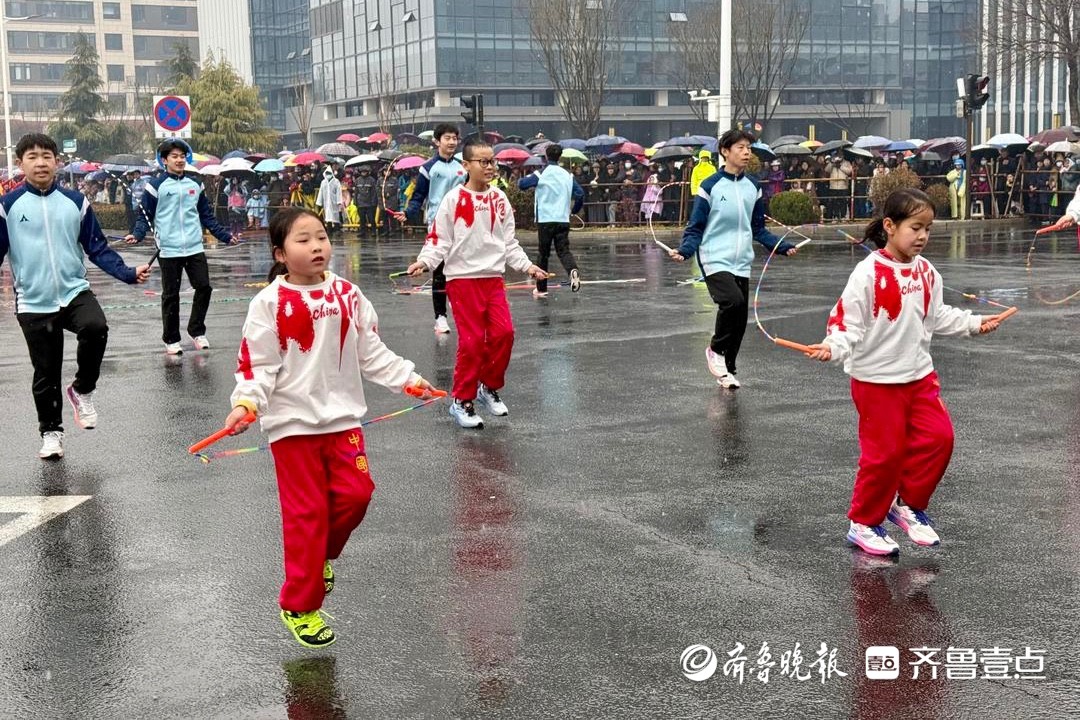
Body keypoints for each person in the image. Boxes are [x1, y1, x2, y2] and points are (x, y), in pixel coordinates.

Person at [223, 206, 438, 648]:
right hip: (292, 426)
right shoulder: (268, 304)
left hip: (342, 420)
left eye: (321, 236)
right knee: (307, 515)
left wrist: (409, 380)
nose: (317, 246)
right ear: (280, 253)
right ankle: (300, 606)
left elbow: (370, 351)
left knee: (358, 495)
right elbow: (257, 366)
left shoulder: (347, 294)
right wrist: (246, 403)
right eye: (303, 240)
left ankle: (320, 555)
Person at [804, 188, 1002, 555]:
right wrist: (833, 347)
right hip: (876, 381)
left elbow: (937, 315)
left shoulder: (926, 271)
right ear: (890, 226)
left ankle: (907, 505)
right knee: (885, 456)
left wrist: (975, 324)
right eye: (915, 227)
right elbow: (847, 324)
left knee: (940, 438)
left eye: (928, 228)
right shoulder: (868, 273)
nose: (923, 236)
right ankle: (863, 523)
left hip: (919, 377)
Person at [1, 133, 151, 459]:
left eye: (46, 156)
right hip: (33, 301)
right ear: (20, 163)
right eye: (32, 157)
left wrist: (127, 273)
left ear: (57, 161)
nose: (40, 163)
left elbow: (97, 247)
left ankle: (83, 389)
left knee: (95, 327)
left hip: (74, 291)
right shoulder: (7, 206)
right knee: (46, 371)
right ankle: (51, 433)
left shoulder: (75, 202)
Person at [406, 139, 546, 428]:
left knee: (504, 334)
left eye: (492, 161)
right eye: (483, 162)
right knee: (471, 343)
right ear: (466, 165)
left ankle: (488, 387)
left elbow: (509, 243)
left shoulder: (500, 199)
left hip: (493, 279)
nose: (490, 167)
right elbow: (439, 240)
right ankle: (462, 400)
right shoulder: (453, 200)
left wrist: (528, 266)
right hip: (462, 281)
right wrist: (425, 262)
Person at [667, 129, 797, 389]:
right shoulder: (710, 186)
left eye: (748, 147)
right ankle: (715, 350)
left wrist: (781, 246)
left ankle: (728, 371)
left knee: (739, 320)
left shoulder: (753, 187)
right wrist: (685, 250)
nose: (746, 152)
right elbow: (695, 227)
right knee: (732, 302)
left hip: (742, 261)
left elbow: (758, 229)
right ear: (725, 152)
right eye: (740, 147)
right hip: (714, 257)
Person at [126, 140, 234, 356]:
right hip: (168, 249)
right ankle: (172, 339)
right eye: (174, 156)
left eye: (182, 156)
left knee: (204, 287)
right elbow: (144, 215)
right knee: (171, 295)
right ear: (164, 160)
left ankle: (196, 331)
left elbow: (206, 216)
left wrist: (224, 236)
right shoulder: (155, 186)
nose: (179, 160)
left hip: (194, 247)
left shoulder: (195, 184)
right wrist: (137, 234)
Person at [397, 124, 466, 334]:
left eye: (454, 138)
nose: (452, 142)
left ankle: (459, 306)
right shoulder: (428, 168)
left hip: (463, 223)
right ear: (437, 141)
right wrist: (408, 212)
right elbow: (419, 196)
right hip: (438, 225)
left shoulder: (463, 167)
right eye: (447, 138)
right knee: (440, 272)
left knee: (462, 270)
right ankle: (440, 317)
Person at [518, 144, 584, 297]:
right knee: (564, 251)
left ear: (546, 156)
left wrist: (526, 177)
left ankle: (541, 288)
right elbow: (580, 194)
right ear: (560, 156)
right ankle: (572, 270)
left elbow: (521, 184)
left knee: (543, 254)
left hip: (545, 219)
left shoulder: (541, 173)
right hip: (562, 219)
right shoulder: (568, 175)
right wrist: (574, 210)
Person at [352, 166, 378, 237]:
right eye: (362, 172)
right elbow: (356, 192)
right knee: (362, 219)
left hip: (369, 203)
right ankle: (362, 232)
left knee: (371, 218)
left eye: (365, 172)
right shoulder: (357, 180)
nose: (364, 173)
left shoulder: (372, 180)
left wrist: (373, 202)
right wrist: (355, 201)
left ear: (368, 172)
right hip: (360, 203)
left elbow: (374, 193)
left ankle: (373, 231)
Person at [316, 167, 343, 235]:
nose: (328, 175)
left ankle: (337, 229)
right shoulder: (323, 182)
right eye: (327, 173)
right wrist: (319, 201)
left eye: (329, 173)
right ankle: (329, 230)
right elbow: (321, 192)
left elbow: (339, 192)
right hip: (326, 202)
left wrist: (339, 201)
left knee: (335, 216)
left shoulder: (336, 181)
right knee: (328, 216)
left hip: (334, 201)